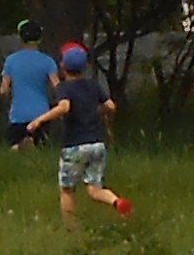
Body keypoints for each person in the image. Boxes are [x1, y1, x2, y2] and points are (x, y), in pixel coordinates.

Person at [28, 41, 135, 224]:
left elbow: (64, 107)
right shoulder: (93, 85)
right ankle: (116, 201)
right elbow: (110, 106)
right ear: (85, 66)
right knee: (94, 189)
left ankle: (71, 229)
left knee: (67, 189)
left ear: (62, 65)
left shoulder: (63, 88)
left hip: (74, 145)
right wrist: (96, 111)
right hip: (97, 144)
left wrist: (39, 120)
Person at [0, 19, 55, 151]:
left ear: (21, 39)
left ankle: (19, 148)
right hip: (41, 114)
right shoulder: (48, 61)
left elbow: (3, 90)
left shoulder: (11, 61)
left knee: (14, 149)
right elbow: (56, 86)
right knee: (41, 149)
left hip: (18, 114)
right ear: (40, 39)